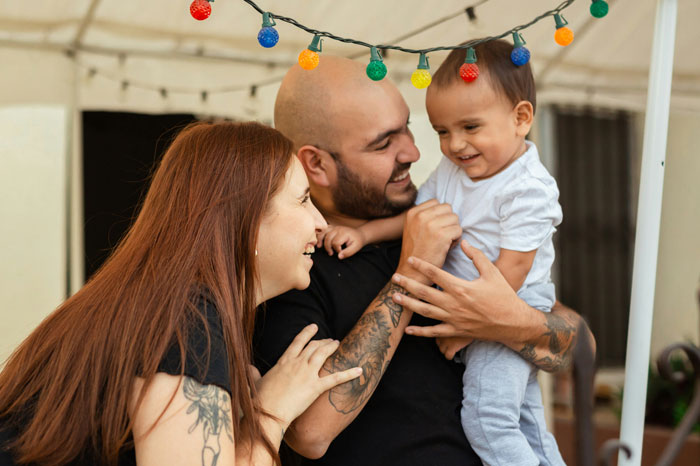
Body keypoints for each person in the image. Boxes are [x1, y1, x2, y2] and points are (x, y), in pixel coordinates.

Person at [254, 55, 591, 466]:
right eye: (384, 143)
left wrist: (506, 321)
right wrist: (411, 269)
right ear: (317, 164)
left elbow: (581, 347)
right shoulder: (293, 269)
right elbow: (308, 432)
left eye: (409, 129)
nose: (414, 152)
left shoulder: (448, 217)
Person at [0, 121, 363, 466]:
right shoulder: (186, 321)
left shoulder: (166, 303)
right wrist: (273, 411)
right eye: (302, 201)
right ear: (246, 218)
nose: (321, 223)